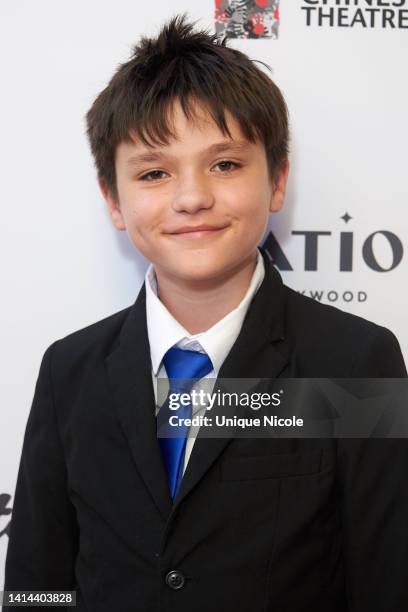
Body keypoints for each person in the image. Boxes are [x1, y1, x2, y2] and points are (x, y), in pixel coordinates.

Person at [3, 12, 407, 612]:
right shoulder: (71, 369)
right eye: (155, 172)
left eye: (224, 164)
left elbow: (387, 582)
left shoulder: (354, 360)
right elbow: (38, 583)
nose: (192, 197)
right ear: (114, 200)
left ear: (276, 181)